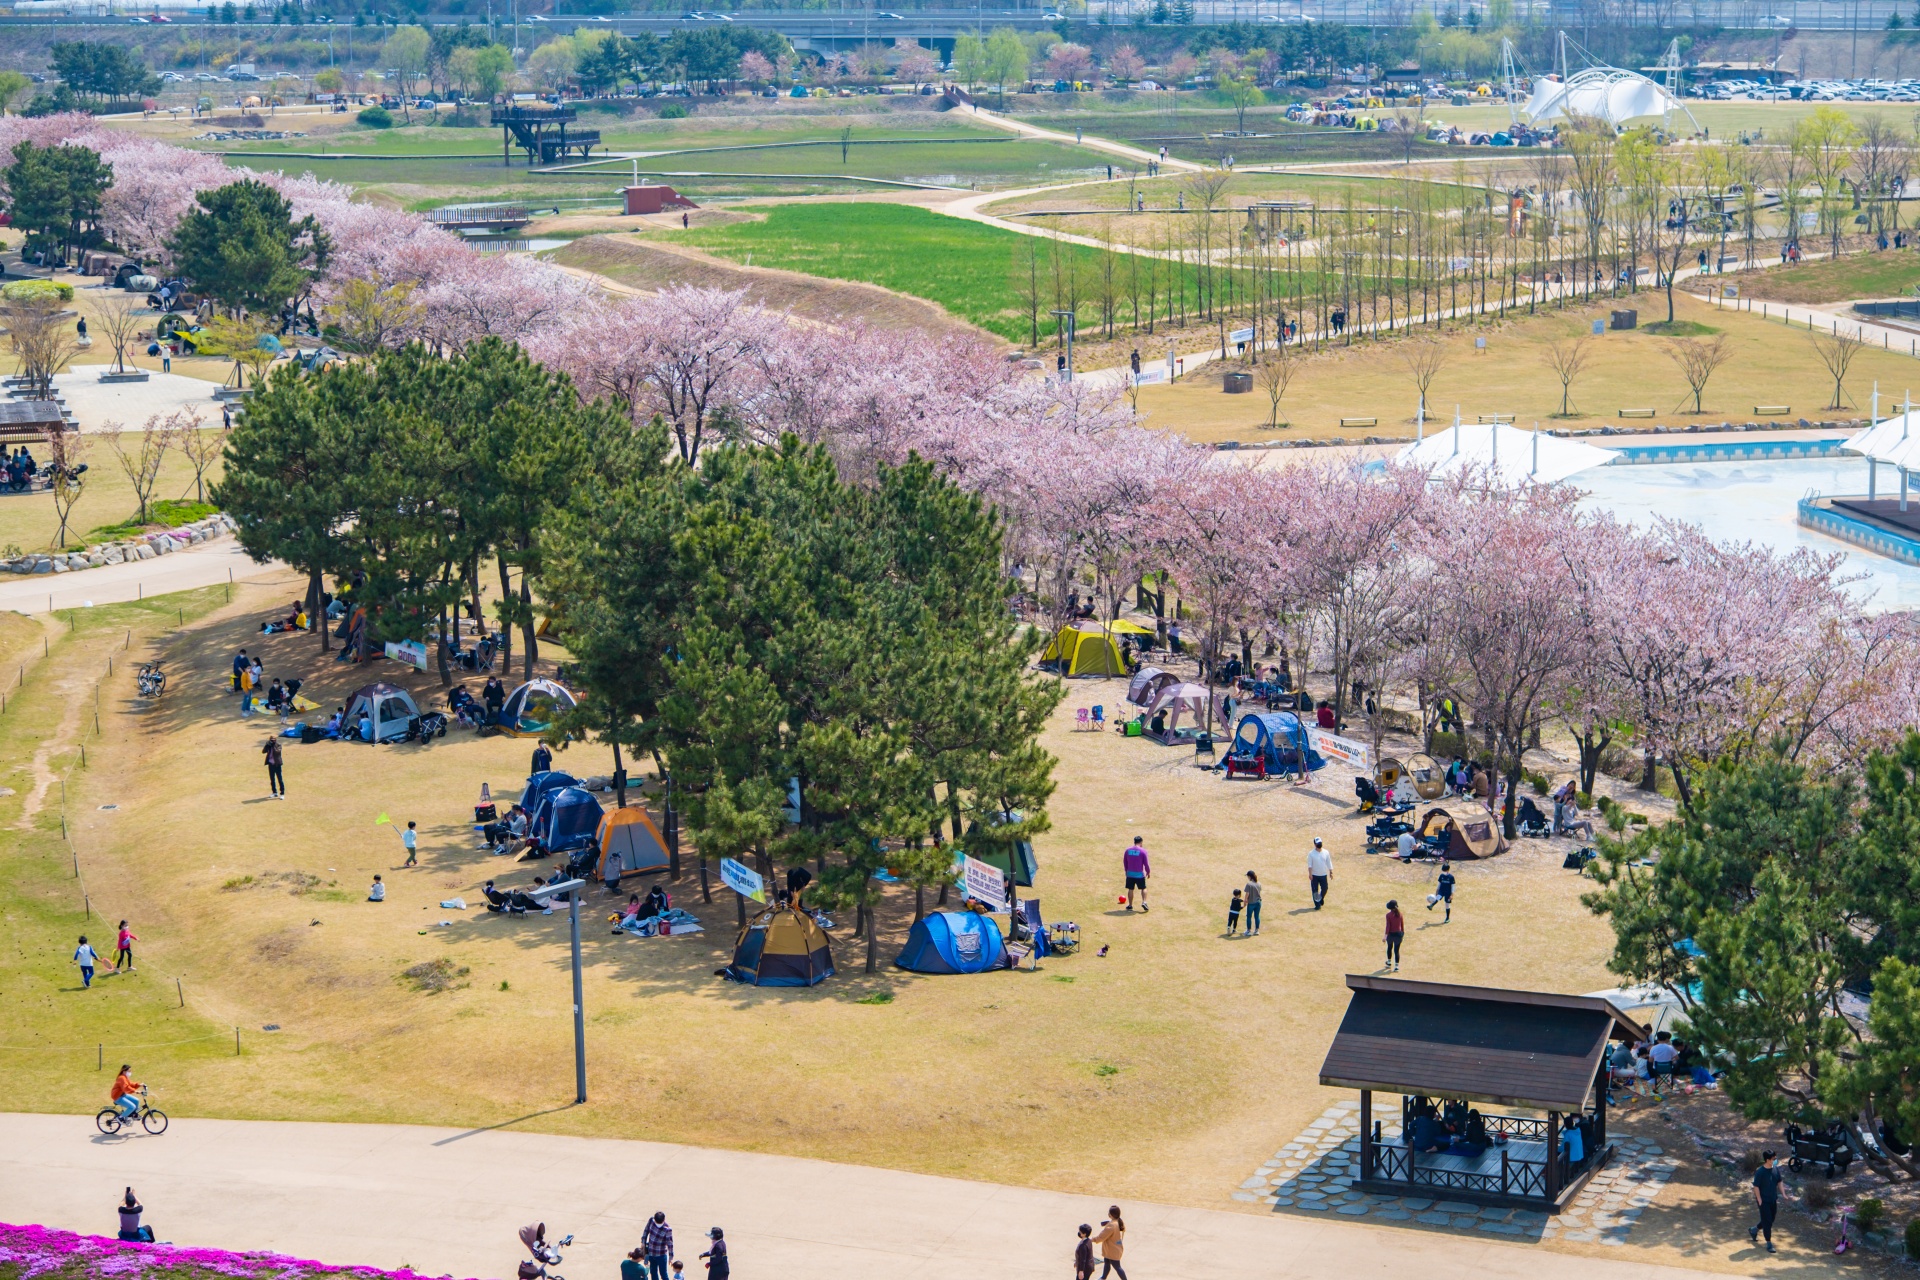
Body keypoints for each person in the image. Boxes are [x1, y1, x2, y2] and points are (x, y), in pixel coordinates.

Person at [1091, 1206, 1126, 1280]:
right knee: (1107, 1263)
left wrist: (1092, 1239)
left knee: (1117, 1266)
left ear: (1111, 1214)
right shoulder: (1117, 1222)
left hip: (1112, 1250)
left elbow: (1101, 1237)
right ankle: (1103, 1277)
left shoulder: (1111, 1225)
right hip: (1113, 1249)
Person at [642, 1210, 675, 1280]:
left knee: (663, 1273)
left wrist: (671, 1257)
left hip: (661, 1255)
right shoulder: (651, 1221)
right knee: (653, 1272)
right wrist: (643, 1242)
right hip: (651, 1252)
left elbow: (670, 1243)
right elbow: (646, 1231)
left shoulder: (667, 1229)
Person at [1122, 837, 1150, 911]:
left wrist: (1126, 870)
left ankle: (1130, 905)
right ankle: (1144, 902)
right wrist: (1148, 871)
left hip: (1130, 874)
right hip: (1139, 874)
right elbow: (1146, 864)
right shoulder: (1143, 851)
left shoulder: (1127, 850)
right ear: (1141, 842)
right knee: (1143, 888)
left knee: (1130, 889)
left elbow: (1125, 861)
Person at [1307, 837, 1332, 909]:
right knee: (1315, 891)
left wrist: (1331, 872)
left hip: (1323, 874)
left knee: (1325, 888)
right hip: (1314, 875)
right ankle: (1317, 905)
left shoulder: (1326, 852)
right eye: (1318, 843)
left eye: (1320, 843)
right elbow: (1310, 865)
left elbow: (1328, 862)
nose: (1319, 844)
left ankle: (1321, 898)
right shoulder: (1311, 854)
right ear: (1315, 844)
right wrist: (1310, 874)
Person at [1384, 899, 1404, 970]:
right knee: (1396, 950)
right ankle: (1396, 966)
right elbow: (1402, 925)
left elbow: (1388, 926)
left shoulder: (1388, 915)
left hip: (1391, 934)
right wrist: (1402, 933)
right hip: (1398, 934)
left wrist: (1385, 936)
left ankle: (1389, 962)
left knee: (1389, 948)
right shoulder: (1400, 914)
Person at [1242, 870, 1262, 935]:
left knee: (1249, 917)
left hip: (1251, 903)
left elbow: (1247, 894)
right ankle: (1257, 930)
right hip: (1258, 902)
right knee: (1257, 916)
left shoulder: (1249, 884)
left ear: (1249, 876)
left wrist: (1245, 901)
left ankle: (1248, 930)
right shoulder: (1259, 883)